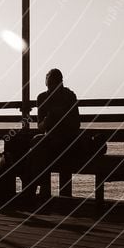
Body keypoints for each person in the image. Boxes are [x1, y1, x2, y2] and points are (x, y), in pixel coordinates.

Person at [22, 68, 80, 201]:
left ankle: (34, 189)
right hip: (50, 141)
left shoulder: (69, 96)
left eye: (54, 84)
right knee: (39, 147)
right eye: (49, 84)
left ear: (61, 83)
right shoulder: (42, 98)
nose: (51, 88)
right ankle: (38, 189)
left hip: (67, 140)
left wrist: (63, 117)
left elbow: (76, 124)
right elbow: (40, 127)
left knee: (37, 146)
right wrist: (48, 120)